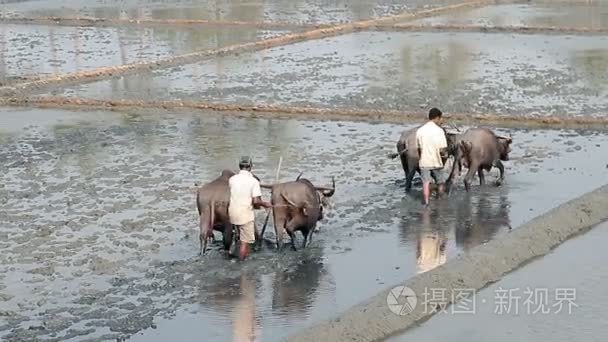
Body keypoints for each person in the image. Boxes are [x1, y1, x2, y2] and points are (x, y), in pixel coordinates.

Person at [228, 156, 272, 261]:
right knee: (245, 241)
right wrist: (265, 204)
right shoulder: (253, 181)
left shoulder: (232, 179)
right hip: (245, 214)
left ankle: (235, 251)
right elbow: (256, 201)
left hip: (232, 213)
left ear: (240, 166)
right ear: (250, 167)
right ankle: (241, 262)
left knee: (239, 234)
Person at [415, 108, 449, 207]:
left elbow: (419, 149)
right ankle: (440, 200)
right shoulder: (439, 131)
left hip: (424, 162)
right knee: (440, 182)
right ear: (437, 118)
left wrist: (421, 158)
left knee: (425, 183)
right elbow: (442, 149)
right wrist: (444, 157)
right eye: (440, 118)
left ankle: (426, 202)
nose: (441, 121)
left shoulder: (420, 130)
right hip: (436, 161)